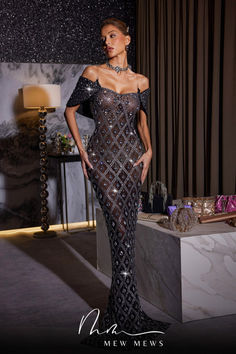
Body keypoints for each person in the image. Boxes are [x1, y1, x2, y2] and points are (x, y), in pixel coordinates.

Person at [65, 17, 171, 349]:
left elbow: (142, 118)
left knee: (129, 232)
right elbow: (70, 110)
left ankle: (124, 314)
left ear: (127, 40)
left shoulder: (141, 81)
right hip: (102, 160)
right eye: (103, 38)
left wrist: (150, 150)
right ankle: (124, 316)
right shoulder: (93, 73)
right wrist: (82, 151)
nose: (107, 42)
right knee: (120, 231)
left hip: (130, 161)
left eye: (113, 36)